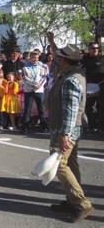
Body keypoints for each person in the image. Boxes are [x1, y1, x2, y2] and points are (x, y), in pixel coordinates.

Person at [46, 44, 93, 223]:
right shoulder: (71, 73)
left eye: (59, 57)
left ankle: (82, 203)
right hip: (71, 128)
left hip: (65, 128)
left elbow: (71, 110)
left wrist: (65, 133)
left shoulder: (71, 79)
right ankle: (72, 200)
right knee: (71, 163)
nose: (57, 59)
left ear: (65, 60)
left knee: (59, 165)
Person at [22, 51, 48, 133]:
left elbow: (44, 77)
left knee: (41, 108)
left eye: (37, 58)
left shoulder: (43, 66)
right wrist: (33, 85)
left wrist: (38, 85)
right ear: (30, 58)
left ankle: (44, 126)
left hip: (39, 89)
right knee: (27, 109)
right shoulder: (25, 66)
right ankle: (26, 126)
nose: (35, 59)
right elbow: (25, 78)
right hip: (29, 89)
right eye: (33, 57)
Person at [81, 42, 104, 133]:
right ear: (89, 49)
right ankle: (91, 125)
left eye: (97, 48)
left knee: (101, 107)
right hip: (88, 87)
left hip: (101, 86)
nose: (95, 50)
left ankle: (101, 126)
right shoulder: (84, 59)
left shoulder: (102, 59)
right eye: (93, 48)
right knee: (88, 107)